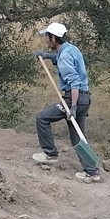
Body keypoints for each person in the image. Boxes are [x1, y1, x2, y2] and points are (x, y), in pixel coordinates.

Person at [31, 22, 101, 183]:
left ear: (53, 38)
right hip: (85, 98)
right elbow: (61, 57)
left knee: (42, 118)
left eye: (47, 37)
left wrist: (73, 107)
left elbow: (74, 82)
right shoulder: (71, 49)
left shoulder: (64, 58)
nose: (45, 39)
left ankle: (50, 154)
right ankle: (92, 172)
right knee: (77, 136)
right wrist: (48, 56)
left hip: (73, 99)